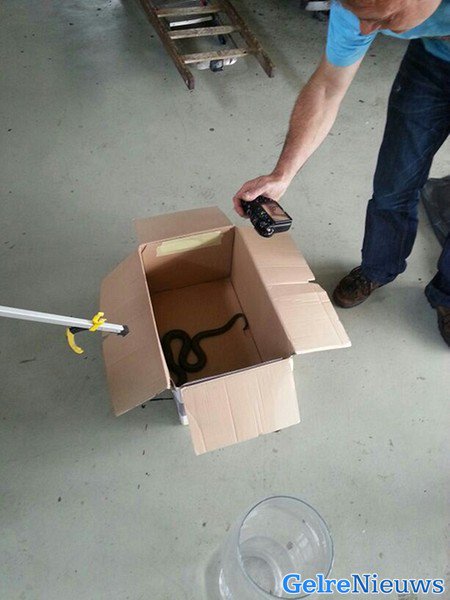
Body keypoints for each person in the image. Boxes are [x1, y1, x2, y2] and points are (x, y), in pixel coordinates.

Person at [233, 0, 450, 347]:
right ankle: (377, 269)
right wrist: (282, 173)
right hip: (432, 62)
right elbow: (327, 88)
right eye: (360, 16)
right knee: (393, 185)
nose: (365, 29)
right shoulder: (357, 8)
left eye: (383, 18)